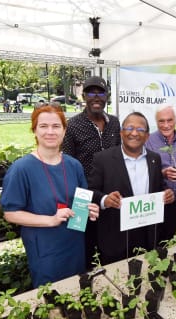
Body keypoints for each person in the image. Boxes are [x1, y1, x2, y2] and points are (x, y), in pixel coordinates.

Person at [0, 105, 100, 288]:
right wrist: (51, 220)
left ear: (64, 130)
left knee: (77, 292)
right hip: (45, 249)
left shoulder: (74, 165)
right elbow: (11, 213)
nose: (50, 132)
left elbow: (81, 202)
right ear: (34, 130)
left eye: (56, 126)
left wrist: (89, 210)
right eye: (43, 126)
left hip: (74, 244)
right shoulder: (22, 169)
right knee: (52, 300)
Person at [87, 111, 175, 265]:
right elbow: (91, 192)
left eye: (140, 130)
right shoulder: (103, 159)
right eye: (129, 128)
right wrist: (105, 200)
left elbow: (159, 188)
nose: (134, 133)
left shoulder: (155, 159)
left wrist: (167, 195)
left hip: (147, 236)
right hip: (116, 238)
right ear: (121, 132)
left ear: (147, 136)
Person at [62, 76, 121, 267]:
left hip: (109, 194)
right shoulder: (72, 125)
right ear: (84, 95)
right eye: (91, 92)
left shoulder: (114, 123)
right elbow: (68, 164)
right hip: (82, 196)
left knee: (110, 244)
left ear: (107, 96)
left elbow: (119, 157)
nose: (96, 97)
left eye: (101, 92)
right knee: (84, 249)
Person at [145, 104, 176, 243]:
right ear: (156, 121)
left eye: (169, 120)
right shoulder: (148, 141)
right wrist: (162, 173)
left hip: (174, 204)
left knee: (168, 242)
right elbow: (142, 171)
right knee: (151, 243)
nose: (166, 125)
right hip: (153, 204)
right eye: (161, 121)